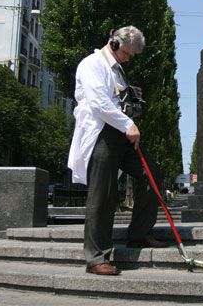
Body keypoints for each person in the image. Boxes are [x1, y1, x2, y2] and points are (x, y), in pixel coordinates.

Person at [67, 26, 167, 276]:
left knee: (150, 173)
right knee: (103, 194)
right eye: (127, 53)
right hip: (102, 134)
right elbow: (99, 103)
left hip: (122, 134)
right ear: (114, 44)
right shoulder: (92, 64)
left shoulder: (118, 71)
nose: (129, 58)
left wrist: (132, 95)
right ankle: (97, 257)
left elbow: (116, 99)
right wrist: (128, 124)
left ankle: (139, 233)